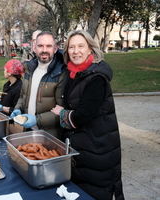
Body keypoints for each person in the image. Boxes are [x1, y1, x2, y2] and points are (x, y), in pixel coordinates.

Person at [51, 30, 124, 200]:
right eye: (71, 47)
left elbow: (82, 116)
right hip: (83, 150)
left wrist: (62, 113)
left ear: (90, 49)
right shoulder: (74, 73)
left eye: (81, 46)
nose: (76, 51)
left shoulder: (96, 78)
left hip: (98, 151)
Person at [10, 31, 68, 137]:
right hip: (28, 130)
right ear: (34, 48)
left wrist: (37, 120)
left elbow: (62, 110)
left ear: (55, 49)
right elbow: (23, 96)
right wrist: (17, 109)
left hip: (50, 135)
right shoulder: (29, 69)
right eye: (40, 46)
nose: (44, 50)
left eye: (49, 46)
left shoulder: (61, 73)